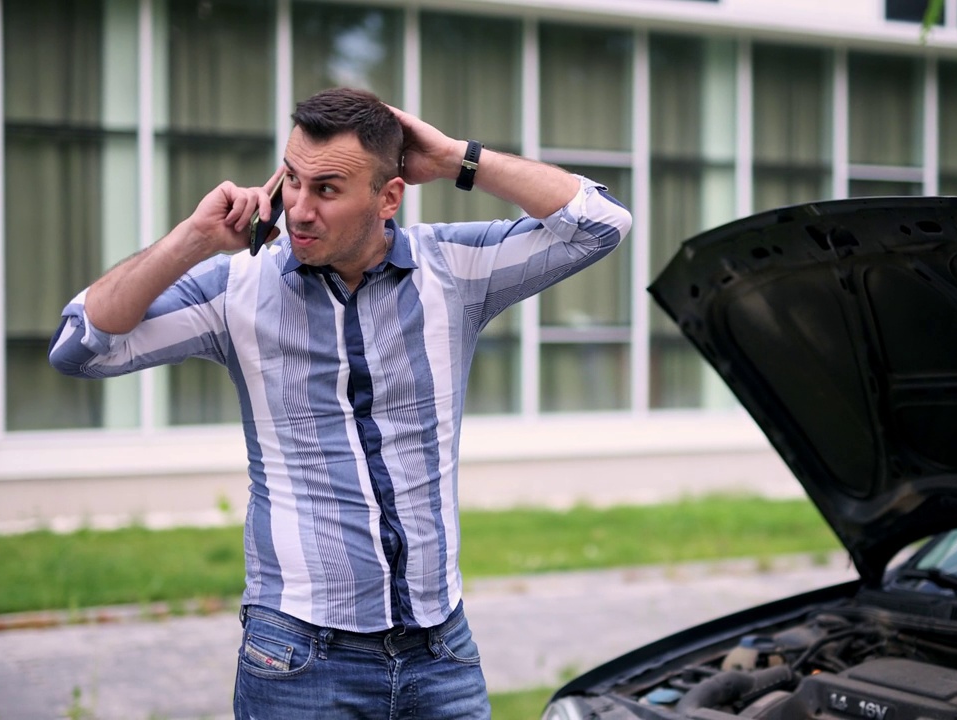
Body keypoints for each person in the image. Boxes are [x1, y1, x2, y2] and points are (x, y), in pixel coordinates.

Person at [48, 87, 632, 719]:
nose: (299, 210)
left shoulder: (453, 270)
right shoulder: (236, 289)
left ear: (388, 198)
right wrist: (193, 240)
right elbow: (83, 346)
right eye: (292, 180)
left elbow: (600, 225)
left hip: (442, 651)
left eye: (327, 189)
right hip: (299, 658)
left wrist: (455, 159)